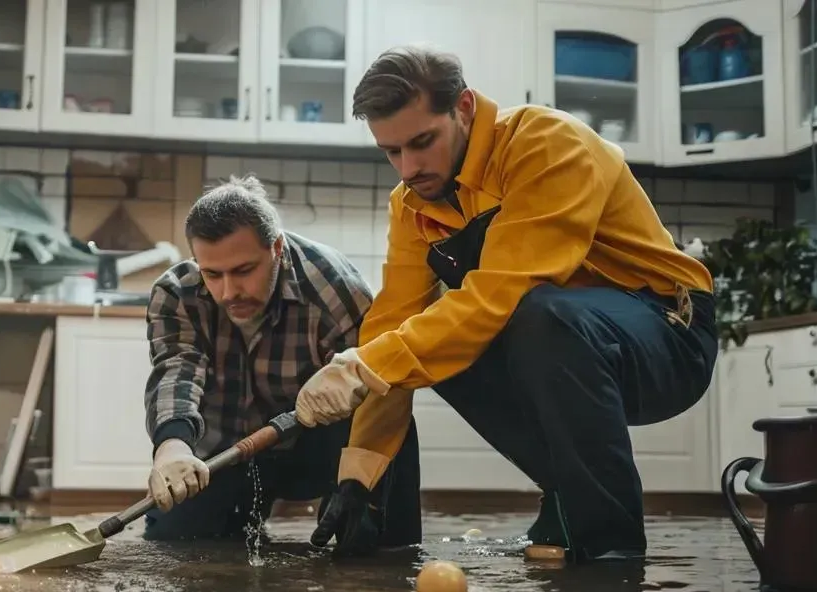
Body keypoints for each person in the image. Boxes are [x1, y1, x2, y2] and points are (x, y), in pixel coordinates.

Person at [295, 45, 719, 563]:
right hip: (560, 339)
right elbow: (394, 327)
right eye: (391, 152)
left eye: (422, 142)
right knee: (433, 347)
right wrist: (359, 475)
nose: (408, 168)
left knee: (536, 315)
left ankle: (611, 547)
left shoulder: (546, 145)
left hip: (668, 332)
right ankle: (567, 494)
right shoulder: (414, 205)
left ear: (464, 108)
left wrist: (365, 365)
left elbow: (504, 292)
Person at [142, 175, 422, 555]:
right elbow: (177, 369)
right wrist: (172, 447)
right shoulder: (175, 294)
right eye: (212, 274)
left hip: (317, 446)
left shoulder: (333, 286)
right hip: (222, 455)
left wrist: (358, 481)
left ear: (276, 247)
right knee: (181, 547)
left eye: (243, 270)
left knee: (379, 543)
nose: (228, 292)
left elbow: (376, 393)